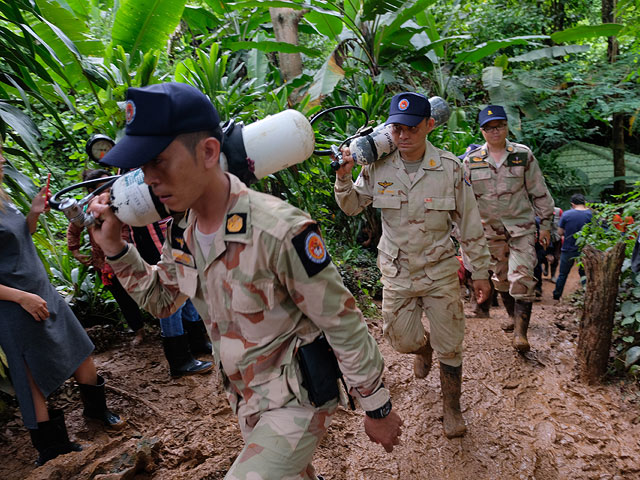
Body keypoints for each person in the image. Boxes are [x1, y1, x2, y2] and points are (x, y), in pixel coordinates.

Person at [88, 82, 402, 479]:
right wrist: (115, 248)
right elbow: (162, 301)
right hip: (246, 398)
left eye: (159, 161)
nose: (149, 178)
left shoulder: (278, 230)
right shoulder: (182, 231)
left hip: (297, 399)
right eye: (143, 166)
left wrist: (377, 407)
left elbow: (342, 321)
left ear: (208, 152)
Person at [334, 92, 491, 438]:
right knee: (402, 340)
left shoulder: (450, 168)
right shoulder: (376, 166)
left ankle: (452, 408)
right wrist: (344, 178)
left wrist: (480, 272)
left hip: (439, 272)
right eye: (397, 129)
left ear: (429, 125)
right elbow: (352, 206)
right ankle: (423, 348)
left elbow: (470, 224)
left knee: (451, 345)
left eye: (411, 128)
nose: (403, 136)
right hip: (398, 271)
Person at [0, 143, 124, 467]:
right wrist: (21, 298)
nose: (2, 158)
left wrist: (33, 213)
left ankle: (98, 413)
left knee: (79, 349)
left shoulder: (4, 195)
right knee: (30, 376)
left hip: (41, 288)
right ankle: (52, 447)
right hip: (14, 304)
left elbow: (21, 236)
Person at [462, 105, 555, 352]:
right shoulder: (471, 161)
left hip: (521, 228)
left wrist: (545, 225)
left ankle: (521, 335)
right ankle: (513, 318)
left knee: (522, 276)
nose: (495, 131)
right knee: (501, 279)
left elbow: (539, 191)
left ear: (506, 127)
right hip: (489, 232)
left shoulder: (523, 155)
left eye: (499, 126)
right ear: (482, 131)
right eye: (489, 128)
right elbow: (464, 200)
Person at [125, 216, 213, 378]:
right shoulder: (132, 201)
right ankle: (180, 361)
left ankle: (197, 342)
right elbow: (144, 232)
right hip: (159, 253)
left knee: (188, 293)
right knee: (171, 304)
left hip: (176, 248)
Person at [67, 169, 147, 346]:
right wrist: (75, 250)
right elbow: (74, 228)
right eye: (103, 186)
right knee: (123, 298)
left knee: (145, 289)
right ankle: (139, 330)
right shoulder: (87, 209)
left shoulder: (124, 198)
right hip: (105, 263)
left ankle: (166, 325)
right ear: (91, 191)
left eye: (110, 184)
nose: (109, 188)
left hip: (132, 256)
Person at [552, 193, 592, 300]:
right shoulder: (591, 214)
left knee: (563, 274)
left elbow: (560, 233)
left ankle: (557, 295)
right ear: (584, 202)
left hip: (568, 248)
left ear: (572, 204)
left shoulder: (566, 214)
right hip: (585, 249)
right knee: (584, 273)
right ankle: (586, 294)